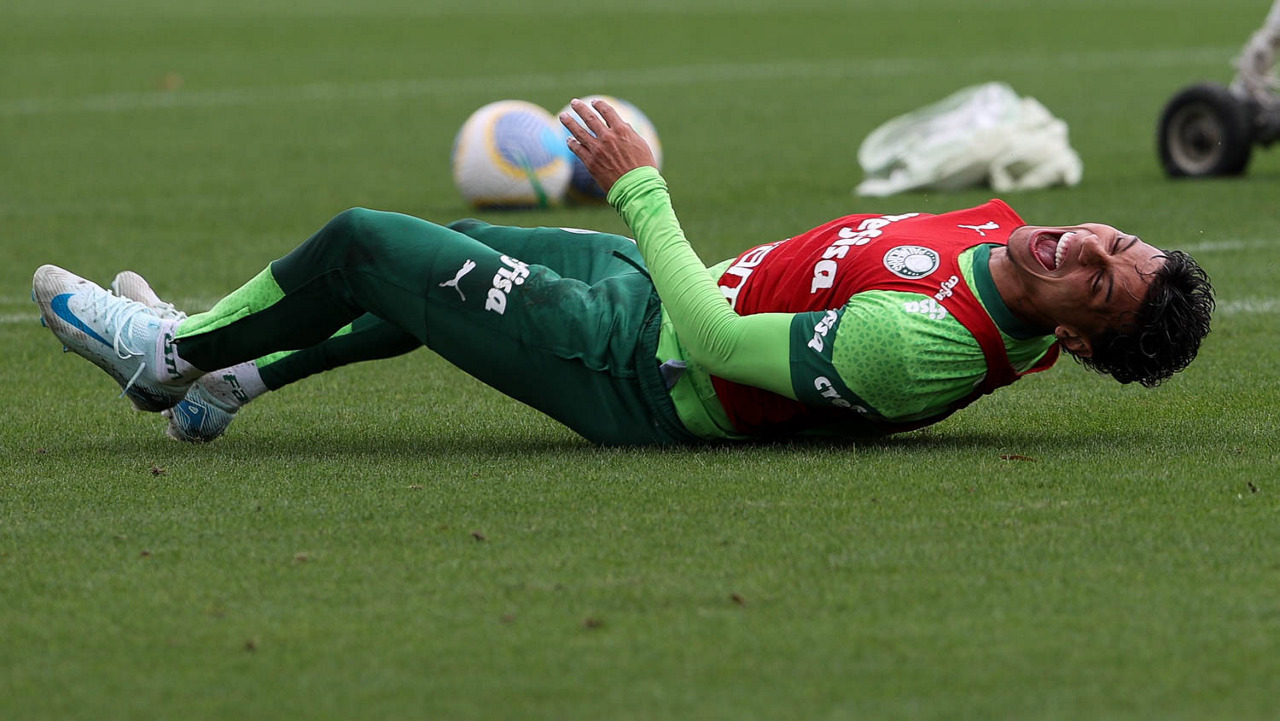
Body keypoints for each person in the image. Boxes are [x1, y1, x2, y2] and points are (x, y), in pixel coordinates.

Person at [33, 99, 1214, 446]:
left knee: (364, 242)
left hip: (638, 371)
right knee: (445, 257)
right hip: (658, 293)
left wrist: (639, 189)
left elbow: (716, 348)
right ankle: (230, 381)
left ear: (1072, 340)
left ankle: (163, 358)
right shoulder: (1006, 230)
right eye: (1111, 241)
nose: (1082, 248)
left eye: (1096, 285)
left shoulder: (922, 346)